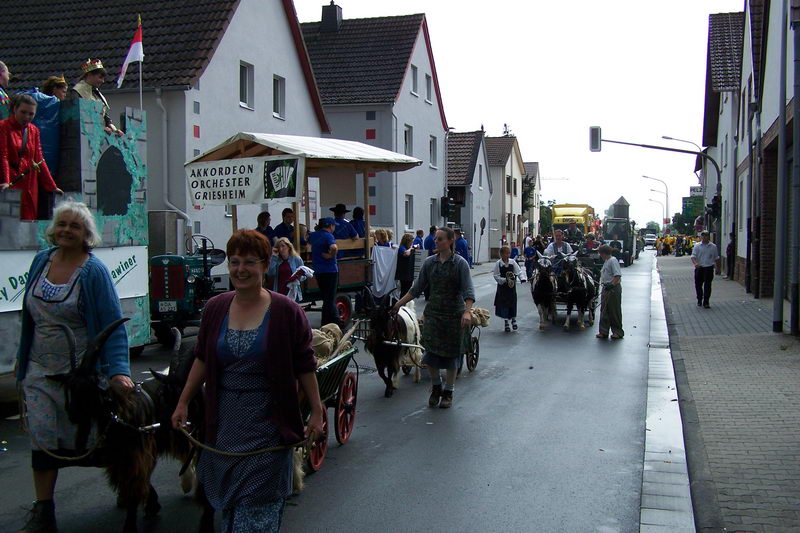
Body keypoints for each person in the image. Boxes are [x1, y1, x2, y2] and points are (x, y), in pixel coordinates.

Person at [171, 229, 324, 533]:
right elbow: (202, 357)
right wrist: (183, 402)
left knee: (255, 518)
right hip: (224, 427)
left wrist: (317, 411)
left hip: (269, 429)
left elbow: (305, 366)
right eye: (234, 262)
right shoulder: (216, 308)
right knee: (229, 513)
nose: (240, 270)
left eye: (249, 262)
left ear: (265, 265)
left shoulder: (286, 311)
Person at [17, 201, 134, 532]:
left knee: (94, 440)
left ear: (87, 235)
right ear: (54, 229)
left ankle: (131, 485)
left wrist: (118, 371)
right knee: (41, 437)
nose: (67, 230)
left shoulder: (93, 272)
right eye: (63, 224)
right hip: (39, 371)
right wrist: (22, 363)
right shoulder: (41, 261)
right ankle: (44, 510)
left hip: (81, 377)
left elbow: (112, 324)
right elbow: (29, 319)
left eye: (75, 226)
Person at [391, 227, 475, 409]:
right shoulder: (429, 263)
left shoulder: (460, 263)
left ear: (450, 241)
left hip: (454, 315)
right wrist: (398, 304)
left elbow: (468, 290)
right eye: (436, 239)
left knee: (452, 356)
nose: (436, 242)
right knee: (430, 355)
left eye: (440, 239)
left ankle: (449, 391)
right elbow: (416, 289)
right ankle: (436, 386)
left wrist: (467, 311)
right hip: (434, 315)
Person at [0, 94, 63, 220]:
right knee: (9, 221)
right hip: (11, 180)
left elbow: (39, 159)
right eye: (23, 112)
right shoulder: (3, 127)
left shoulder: (34, 130)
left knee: (29, 219)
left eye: (31, 114)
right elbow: (3, 156)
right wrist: (6, 181)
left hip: (29, 182)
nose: (27, 117)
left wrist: (51, 186)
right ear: (14, 110)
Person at [66, 59, 122, 136]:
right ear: (89, 75)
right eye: (100, 77)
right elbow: (78, 118)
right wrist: (100, 128)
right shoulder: (76, 92)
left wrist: (115, 130)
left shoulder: (97, 94)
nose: (102, 81)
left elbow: (105, 117)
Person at [310, 218, 339, 326]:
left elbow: (305, 239)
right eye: (333, 226)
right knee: (330, 298)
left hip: (318, 270)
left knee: (326, 297)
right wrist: (331, 255)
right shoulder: (328, 236)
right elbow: (334, 247)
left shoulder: (314, 235)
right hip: (330, 269)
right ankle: (335, 321)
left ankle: (326, 322)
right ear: (330, 226)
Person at [493, 245, 524, 332]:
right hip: (502, 289)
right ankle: (506, 322)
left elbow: (518, 271)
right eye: (507, 253)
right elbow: (496, 275)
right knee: (504, 305)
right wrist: (504, 280)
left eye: (509, 253)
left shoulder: (512, 262)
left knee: (513, 303)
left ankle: (513, 320)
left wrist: (522, 278)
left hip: (511, 287)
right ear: (502, 254)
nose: (508, 255)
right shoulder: (498, 264)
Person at [596, 244, 624, 339]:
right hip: (606, 288)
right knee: (604, 310)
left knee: (614, 310)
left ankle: (617, 332)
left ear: (603, 253)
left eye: (600, 253)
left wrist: (611, 284)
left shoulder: (613, 260)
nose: (600, 255)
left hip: (613, 289)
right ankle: (603, 331)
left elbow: (617, 275)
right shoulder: (606, 261)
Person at [691, 230, 719, 308]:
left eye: (706, 235)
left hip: (709, 268)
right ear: (701, 237)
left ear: (708, 236)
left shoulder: (713, 246)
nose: (704, 237)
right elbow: (693, 256)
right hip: (699, 268)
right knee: (698, 285)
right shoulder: (697, 246)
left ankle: (706, 301)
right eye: (703, 235)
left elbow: (716, 258)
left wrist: (717, 268)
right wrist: (695, 263)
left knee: (708, 285)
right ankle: (700, 299)